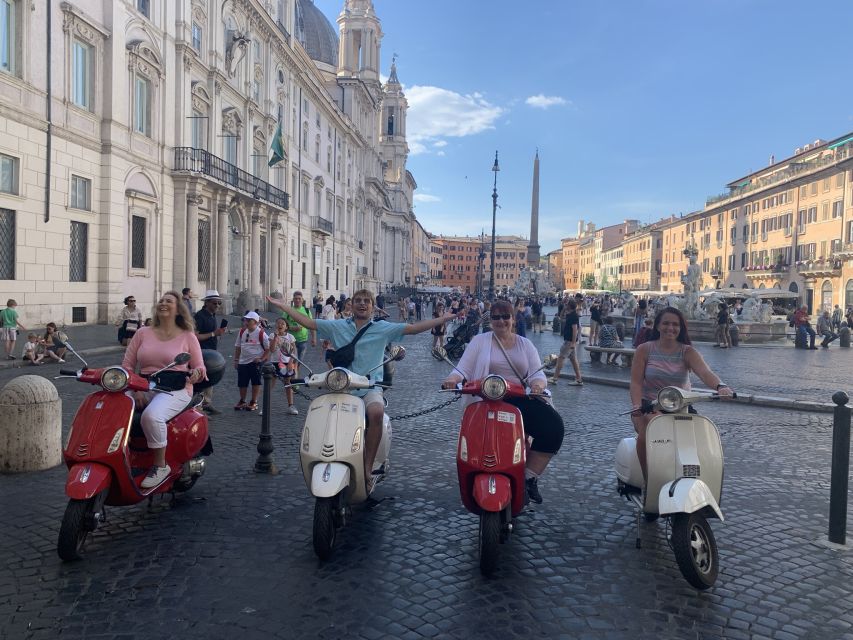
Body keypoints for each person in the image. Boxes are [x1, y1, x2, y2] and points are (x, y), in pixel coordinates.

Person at [267, 290, 457, 482]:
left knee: (376, 413)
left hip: (369, 387)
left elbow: (413, 328)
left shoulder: (382, 328)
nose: (362, 304)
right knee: (320, 413)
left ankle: (367, 466)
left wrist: (443, 319)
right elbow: (308, 323)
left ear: (373, 307)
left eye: (367, 301)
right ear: (352, 304)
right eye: (358, 300)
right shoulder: (337, 326)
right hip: (341, 387)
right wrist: (283, 306)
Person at [441, 300, 565, 504]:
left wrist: (537, 386)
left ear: (513, 319)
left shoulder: (525, 344)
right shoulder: (479, 341)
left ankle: (529, 478)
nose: (501, 321)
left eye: (505, 316)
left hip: (518, 399)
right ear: (490, 321)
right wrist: (452, 380)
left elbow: (537, 374)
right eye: (496, 317)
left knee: (553, 427)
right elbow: (462, 369)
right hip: (485, 399)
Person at [629, 307, 734, 480]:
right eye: (666, 323)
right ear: (657, 326)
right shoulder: (644, 349)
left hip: (680, 406)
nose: (670, 328)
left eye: (675, 324)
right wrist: (636, 405)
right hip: (648, 405)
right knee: (650, 429)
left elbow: (705, 373)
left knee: (699, 436)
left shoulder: (687, 351)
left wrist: (721, 386)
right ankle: (649, 480)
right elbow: (636, 382)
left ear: (681, 328)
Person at [122, 291, 206, 488]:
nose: (163, 303)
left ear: (178, 309)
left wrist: (196, 373)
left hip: (176, 388)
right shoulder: (142, 332)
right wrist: (135, 389)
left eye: (169, 301)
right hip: (143, 385)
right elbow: (127, 365)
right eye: (161, 300)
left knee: (151, 416)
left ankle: (160, 466)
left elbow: (200, 366)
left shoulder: (188, 336)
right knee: (112, 408)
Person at [193, 290, 227, 414]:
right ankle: (198, 407)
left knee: (210, 378)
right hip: (201, 352)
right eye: (214, 303)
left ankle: (207, 403)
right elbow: (195, 336)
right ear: (207, 303)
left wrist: (218, 333)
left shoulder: (212, 315)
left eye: (219, 303)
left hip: (211, 351)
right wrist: (214, 333)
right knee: (201, 379)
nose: (217, 306)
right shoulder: (199, 316)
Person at [233, 311, 271, 412]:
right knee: (242, 383)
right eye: (246, 320)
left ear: (255, 322)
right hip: (242, 362)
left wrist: (261, 359)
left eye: (249, 320)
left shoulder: (261, 333)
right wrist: (236, 360)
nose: (246, 322)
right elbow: (238, 346)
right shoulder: (242, 332)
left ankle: (254, 401)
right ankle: (243, 400)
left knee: (255, 382)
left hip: (255, 363)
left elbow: (269, 348)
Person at [279, 291, 316, 373]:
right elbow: (281, 325)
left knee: (298, 362)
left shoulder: (306, 311)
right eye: (296, 299)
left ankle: (294, 378)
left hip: (303, 340)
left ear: (302, 300)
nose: (297, 300)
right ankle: (291, 379)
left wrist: (314, 338)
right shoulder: (288, 311)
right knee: (291, 361)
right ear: (293, 300)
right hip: (290, 341)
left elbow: (311, 325)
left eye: (299, 299)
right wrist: (292, 328)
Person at [550, 298, 582, 386]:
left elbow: (575, 329)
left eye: (567, 304)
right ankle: (579, 379)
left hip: (569, 342)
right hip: (569, 341)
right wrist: (563, 309)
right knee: (573, 360)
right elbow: (560, 317)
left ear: (569, 306)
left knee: (561, 358)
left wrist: (573, 343)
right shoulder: (570, 314)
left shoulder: (574, 316)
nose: (565, 305)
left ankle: (555, 378)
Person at [270, 317, 298, 415]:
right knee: (270, 384)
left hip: (287, 363)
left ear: (286, 327)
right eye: (278, 323)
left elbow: (293, 351)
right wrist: (275, 338)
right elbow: (272, 350)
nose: (280, 325)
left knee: (288, 384)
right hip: (274, 362)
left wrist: (291, 362)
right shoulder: (272, 335)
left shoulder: (290, 337)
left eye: (282, 324)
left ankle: (291, 405)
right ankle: (265, 406)